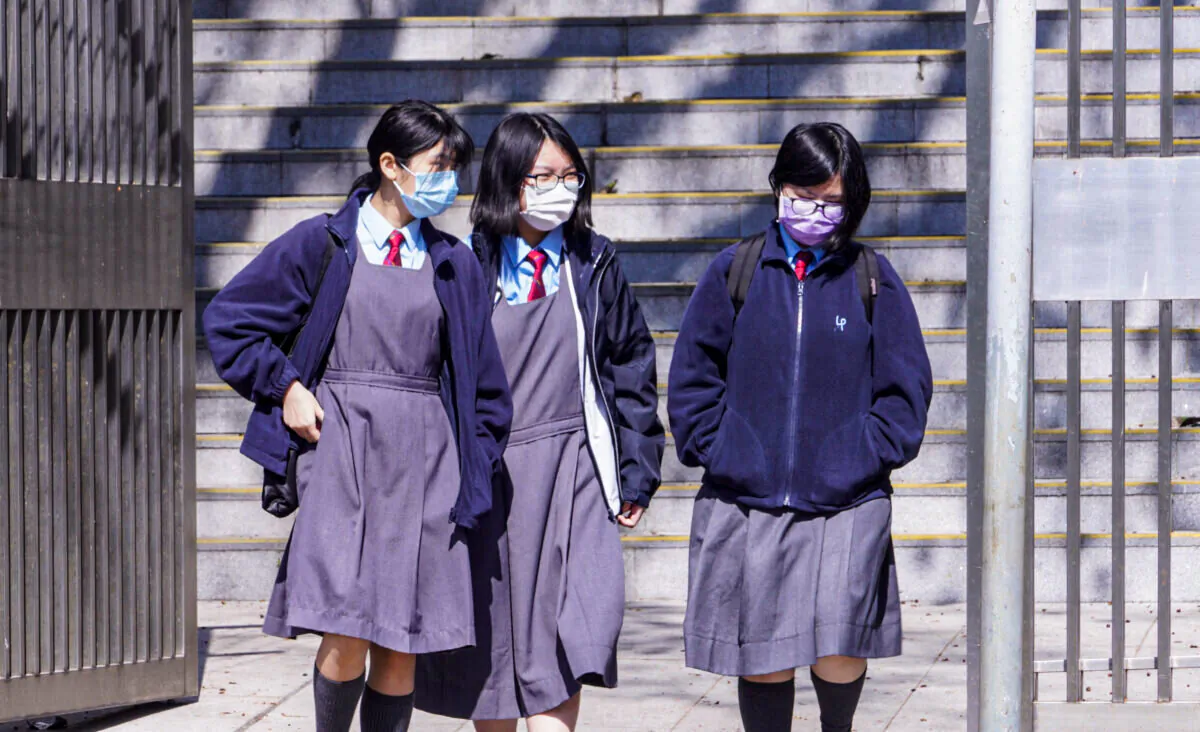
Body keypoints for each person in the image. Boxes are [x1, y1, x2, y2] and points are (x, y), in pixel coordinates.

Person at [202, 100, 512, 732]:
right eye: (437, 165)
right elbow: (229, 322)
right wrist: (285, 385)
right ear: (389, 164)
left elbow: (486, 385)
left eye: (454, 167)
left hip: (428, 461)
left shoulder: (454, 262)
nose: (448, 180)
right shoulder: (323, 242)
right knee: (344, 627)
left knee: (402, 637)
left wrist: (471, 463)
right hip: (340, 449)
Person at [667, 122, 933, 732]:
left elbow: (905, 388)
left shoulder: (872, 277)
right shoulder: (734, 271)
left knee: (840, 644)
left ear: (852, 201)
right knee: (762, 656)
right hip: (750, 497)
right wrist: (724, 447)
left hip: (847, 499)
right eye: (801, 193)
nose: (814, 210)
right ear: (778, 188)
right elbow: (692, 377)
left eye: (831, 200)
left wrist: (862, 453)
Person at [415, 112, 665, 732]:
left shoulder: (595, 263)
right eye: (543, 176)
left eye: (571, 176)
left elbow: (630, 363)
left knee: (571, 625)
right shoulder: (464, 264)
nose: (560, 188)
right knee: (493, 634)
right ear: (507, 182)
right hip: (492, 471)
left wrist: (637, 471)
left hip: (574, 462)